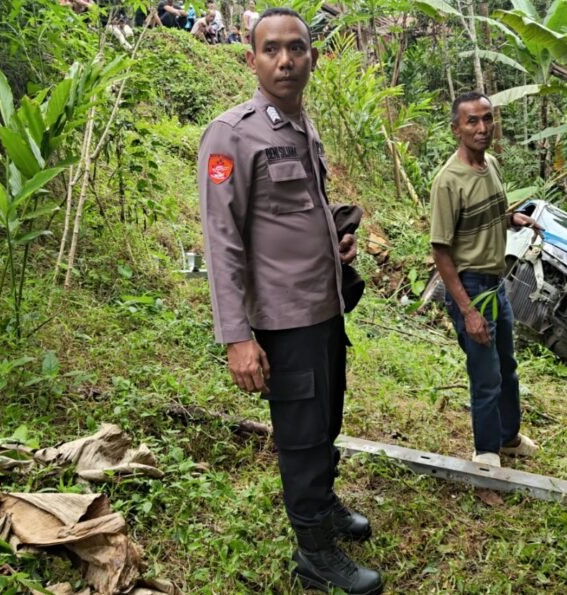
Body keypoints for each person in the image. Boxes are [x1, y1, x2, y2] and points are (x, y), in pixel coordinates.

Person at [197, 8, 382, 595]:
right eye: (271, 49)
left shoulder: (304, 128)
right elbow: (222, 241)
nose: (285, 60)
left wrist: (336, 241)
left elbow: (300, 212)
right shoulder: (232, 133)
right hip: (282, 319)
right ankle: (314, 553)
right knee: (301, 435)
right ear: (250, 59)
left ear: (312, 58)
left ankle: (323, 505)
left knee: (326, 420)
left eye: (296, 48)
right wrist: (236, 337)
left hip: (324, 309)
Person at [430, 91, 541, 469]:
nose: (482, 128)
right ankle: (486, 454)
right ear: (456, 129)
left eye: (487, 119)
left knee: (506, 365)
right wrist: (468, 311)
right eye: (472, 121)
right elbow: (441, 252)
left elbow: (489, 214)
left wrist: (512, 219)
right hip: (471, 288)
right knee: (485, 374)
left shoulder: (490, 164)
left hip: (496, 284)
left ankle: (507, 437)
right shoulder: (448, 181)